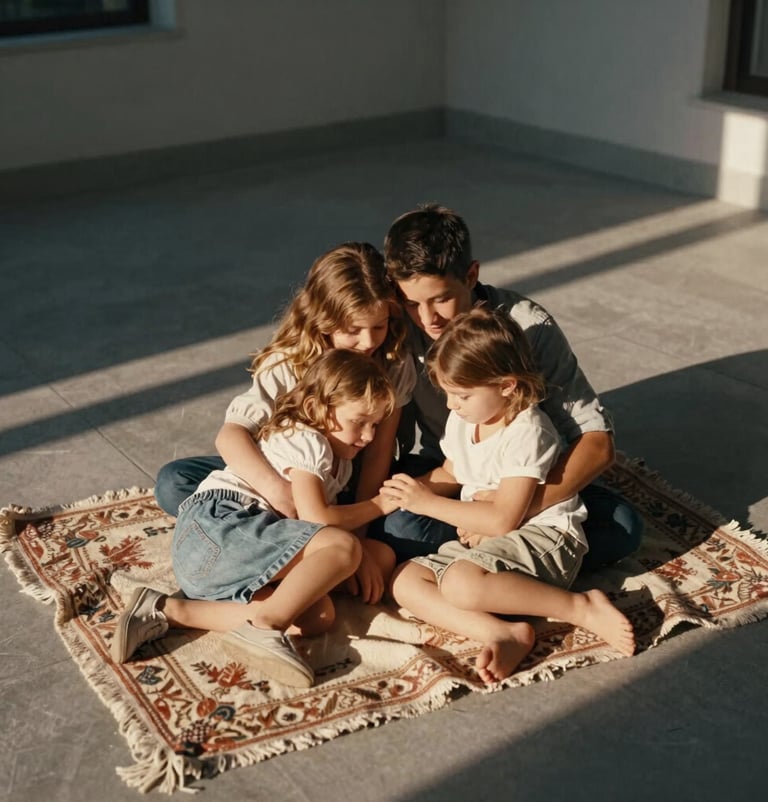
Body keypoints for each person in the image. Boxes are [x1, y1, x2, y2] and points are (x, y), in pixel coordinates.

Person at [372, 203, 643, 571]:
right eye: (412, 302)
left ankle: (488, 557)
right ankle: (503, 560)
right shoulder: (397, 326)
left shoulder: (528, 327)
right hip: (452, 464)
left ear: (471, 275)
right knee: (396, 523)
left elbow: (597, 444)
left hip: (527, 473)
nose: (427, 319)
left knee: (622, 528)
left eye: (441, 299)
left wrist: (508, 513)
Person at [111, 350, 399, 688]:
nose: (368, 436)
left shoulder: (342, 462)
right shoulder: (308, 440)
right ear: (315, 409)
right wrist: (380, 505)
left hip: (219, 560)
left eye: (375, 424)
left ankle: (168, 610)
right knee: (344, 546)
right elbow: (316, 517)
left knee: (317, 616)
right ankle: (266, 627)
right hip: (219, 528)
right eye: (359, 422)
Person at [380, 308, 635, 683]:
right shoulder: (467, 419)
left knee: (460, 584)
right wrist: (405, 493)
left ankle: (580, 607)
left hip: (545, 536)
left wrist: (428, 504)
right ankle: (500, 633)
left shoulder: (527, 432)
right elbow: (453, 470)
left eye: (462, 395)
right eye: (448, 394)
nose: (451, 405)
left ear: (507, 385)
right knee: (404, 579)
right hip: (491, 538)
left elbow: (503, 520)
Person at [154, 242, 416, 603]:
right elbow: (231, 436)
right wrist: (279, 491)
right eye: (353, 329)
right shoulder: (289, 362)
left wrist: (362, 535)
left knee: (406, 530)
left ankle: (287, 552)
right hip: (284, 471)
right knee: (174, 482)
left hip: (345, 475)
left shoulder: (393, 360)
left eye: (379, 325)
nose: (368, 341)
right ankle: (275, 542)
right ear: (325, 319)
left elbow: (377, 453)